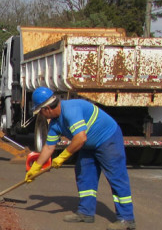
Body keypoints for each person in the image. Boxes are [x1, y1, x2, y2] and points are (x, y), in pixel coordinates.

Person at [25, 87, 136, 230]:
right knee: (84, 174)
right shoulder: (55, 124)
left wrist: (62, 157)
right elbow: (48, 147)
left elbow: (80, 138)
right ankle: (86, 213)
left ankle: (127, 219)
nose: (40, 114)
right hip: (89, 145)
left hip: (107, 139)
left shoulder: (71, 109)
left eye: (40, 111)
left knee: (116, 178)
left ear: (47, 109)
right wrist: (35, 168)